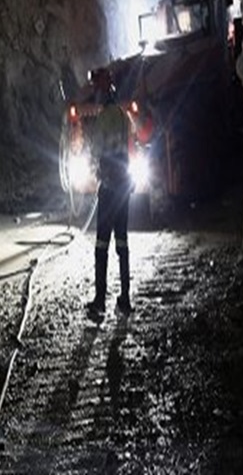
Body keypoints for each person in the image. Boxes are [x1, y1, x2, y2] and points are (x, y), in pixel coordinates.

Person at [86, 69, 133, 317]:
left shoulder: (103, 118)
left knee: (101, 245)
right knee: (122, 242)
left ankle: (100, 301)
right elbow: (128, 145)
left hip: (109, 187)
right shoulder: (123, 116)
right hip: (124, 187)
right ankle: (125, 299)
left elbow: (96, 151)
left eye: (96, 90)